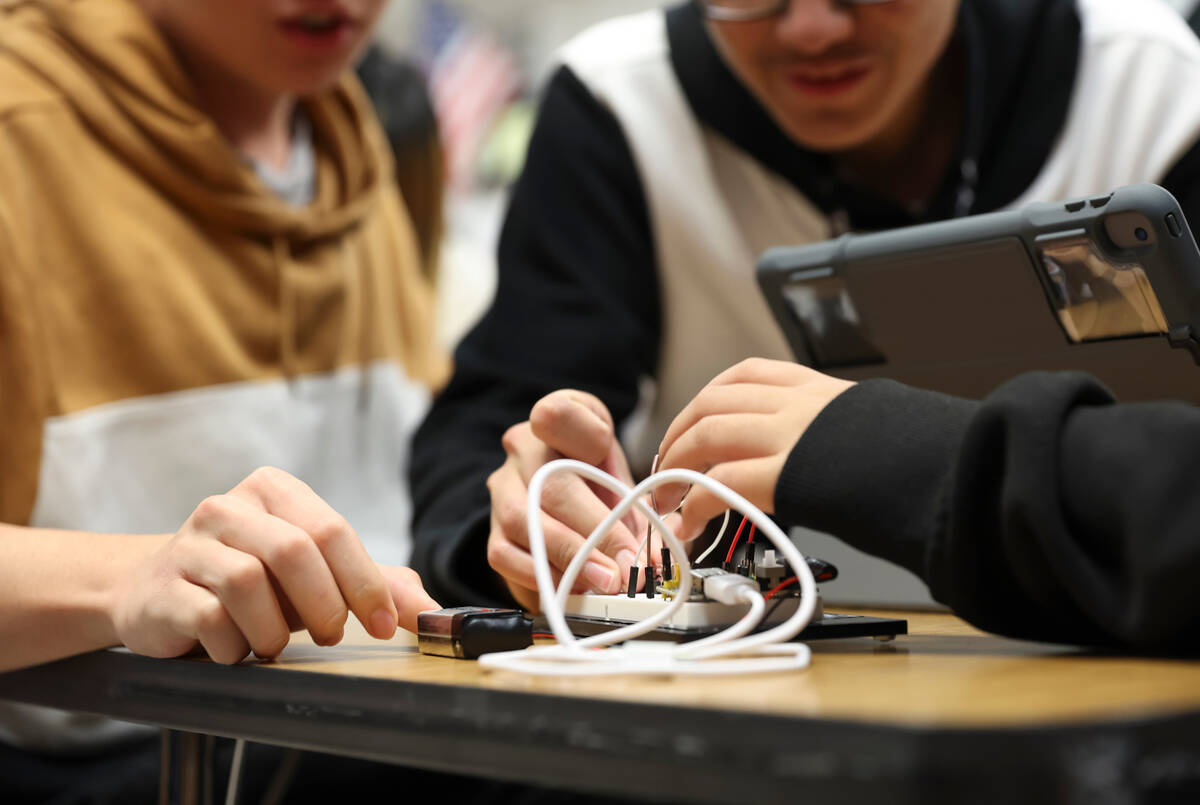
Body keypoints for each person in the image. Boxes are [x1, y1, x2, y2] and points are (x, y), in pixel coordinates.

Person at [410, 0, 1200, 617]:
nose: (813, 29)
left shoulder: (1154, 84)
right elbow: (490, 434)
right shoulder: (619, 102)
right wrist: (519, 523)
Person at [0, 0, 446, 799]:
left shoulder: (351, 144)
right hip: (91, 756)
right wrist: (122, 578)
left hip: (380, 730)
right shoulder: (18, 133)